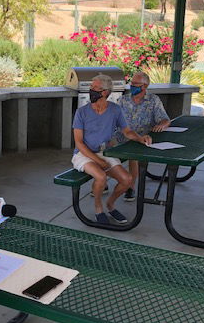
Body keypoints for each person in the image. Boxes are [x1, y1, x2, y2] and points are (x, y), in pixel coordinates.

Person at [72, 74, 151, 225]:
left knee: (127, 179)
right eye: (91, 87)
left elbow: (127, 131)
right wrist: (98, 160)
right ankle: (98, 209)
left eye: (96, 88)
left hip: (105, 152)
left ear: (106, 92)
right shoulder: (81, 112)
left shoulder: (115, 110)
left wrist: (141, 138)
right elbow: (79, 143)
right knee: (101, 177)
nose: (91, 90)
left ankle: (110, 204)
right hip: (83, 154)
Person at [114, 71, 170, 201]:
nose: (132, 86)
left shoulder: (153, 100)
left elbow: (164, 119)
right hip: (122, 135)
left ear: (144, 86)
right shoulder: (123, 100)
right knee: (103, 149)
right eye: (131, 83)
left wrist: (162, 125)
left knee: (134, 156)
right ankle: (103, 181)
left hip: (141, 138)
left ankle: (130, 186)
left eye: (135, 84)